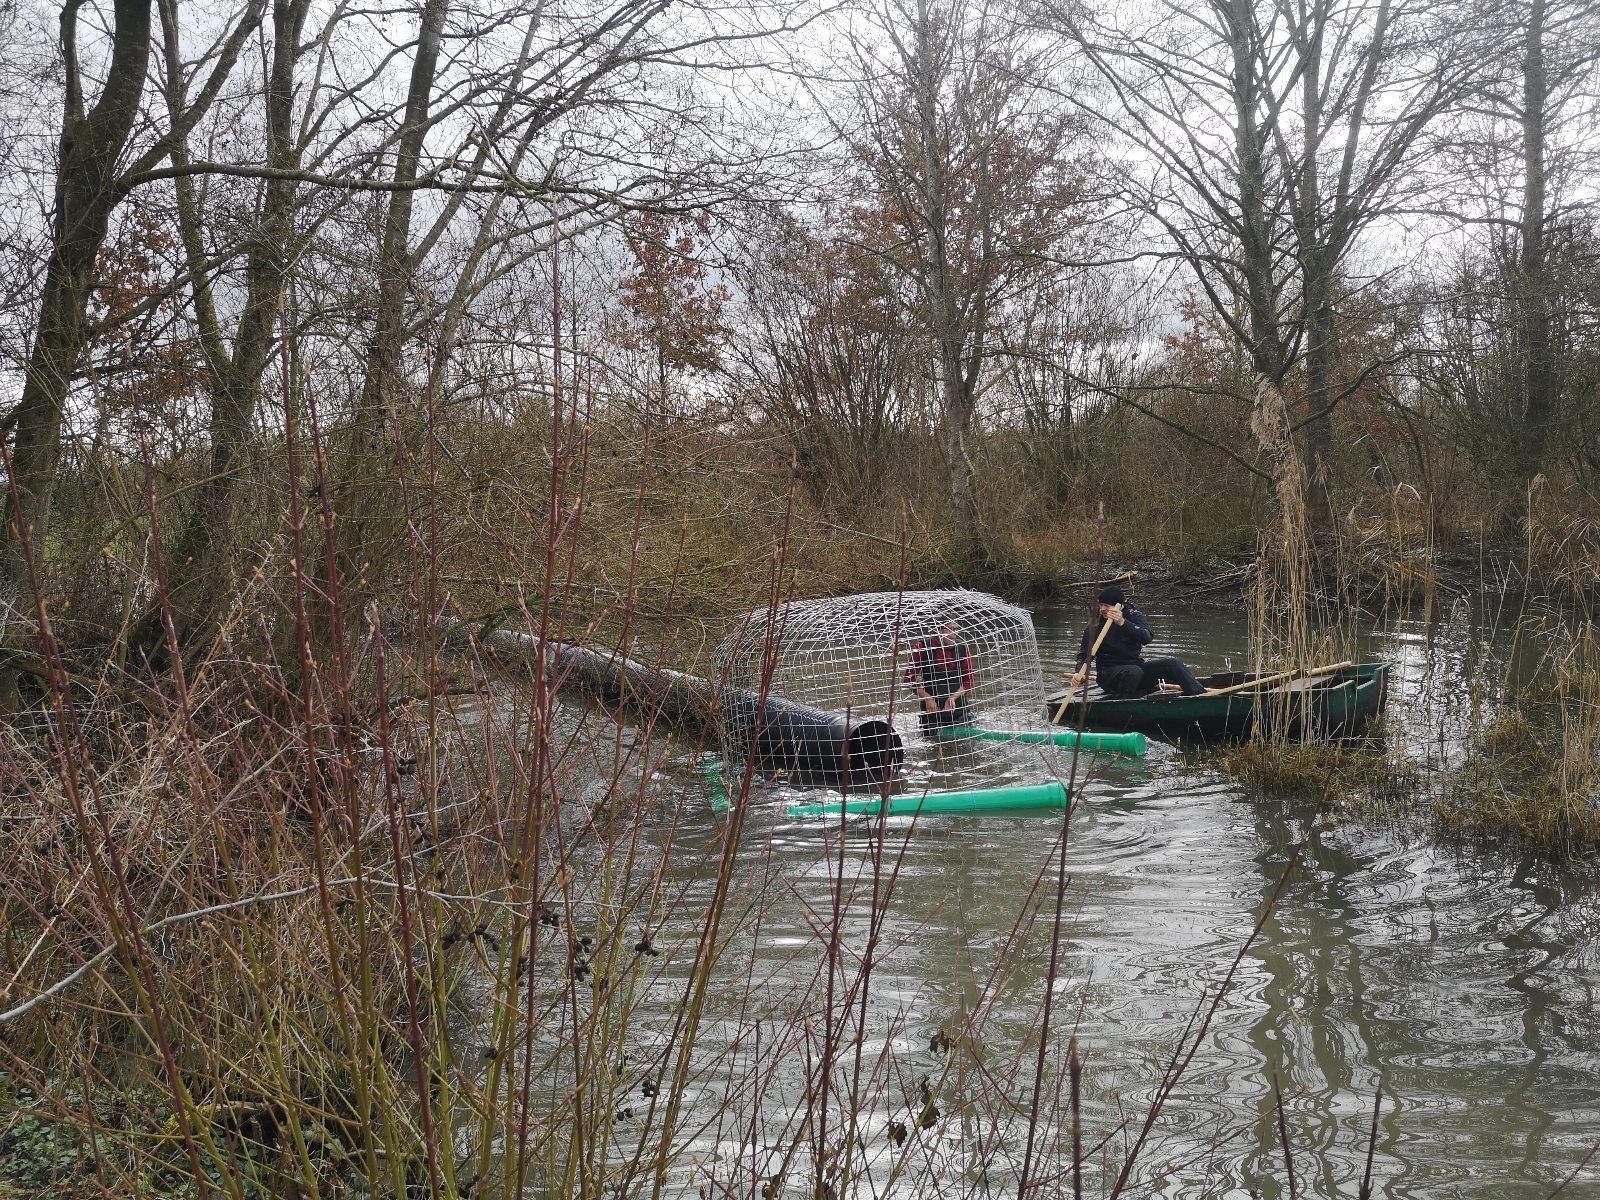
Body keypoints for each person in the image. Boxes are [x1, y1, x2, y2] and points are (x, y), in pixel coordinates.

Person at [1071, 585, 1204, 698]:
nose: (1103, 609)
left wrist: (1123, 623)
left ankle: (1199, 696)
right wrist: (1079, 672)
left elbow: (1146, 637)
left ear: (1119, 606)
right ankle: (1123, 704)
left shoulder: (1133, 616)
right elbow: (1084, 655)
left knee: (1172, 664)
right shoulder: (1095, 625)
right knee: (1133, 672)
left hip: (1135, 668)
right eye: (1100, 605)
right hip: (1109, 674)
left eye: (1107, 605)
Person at [906, 616, 976, 734]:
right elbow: (909, 680)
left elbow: (969, 680)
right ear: (938, 630)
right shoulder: (922, 647)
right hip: (931, 710)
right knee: (933, 744)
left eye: (956, 629)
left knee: (964, 744)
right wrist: (927, 698)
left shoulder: (962, 647)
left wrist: (953, 697)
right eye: (949, 629)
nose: (954, 633)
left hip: (958, 709)